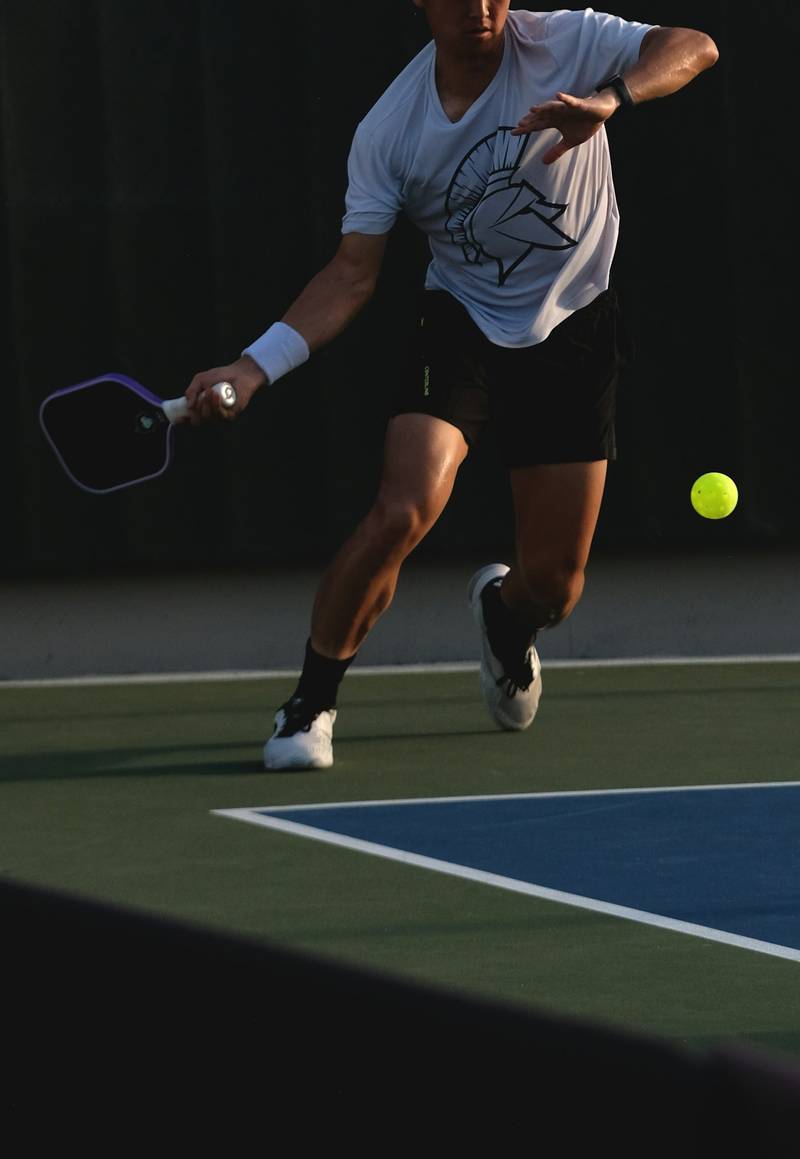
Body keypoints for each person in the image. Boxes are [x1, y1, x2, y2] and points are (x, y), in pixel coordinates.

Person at [185, 3, 718, 771]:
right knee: (403, 508)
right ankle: (309, 703)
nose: (481, 8)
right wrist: (252, 365)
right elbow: (351, 273)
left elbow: (695, 46)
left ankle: (506, 618)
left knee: (554, 587)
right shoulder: (391, 130)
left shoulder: (566, 42)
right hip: (461, 323)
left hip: (575, 325)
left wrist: (612, 98)